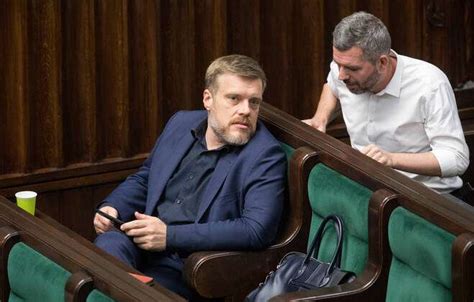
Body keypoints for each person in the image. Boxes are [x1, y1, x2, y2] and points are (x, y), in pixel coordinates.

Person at [93, 54, 287, 299]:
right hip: (140, 242)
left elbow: (256, 230)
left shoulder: (265, 155)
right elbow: (145, 178)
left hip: (189, 265)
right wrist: (113, 207)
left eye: (254, 102)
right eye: (234, 99)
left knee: (122, 288)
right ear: (208, 99)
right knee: (106, 248)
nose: (245, 111)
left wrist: (169, 236)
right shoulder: (181, 123)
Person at [303, 11, 469, 200]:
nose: (341, 75)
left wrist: (392, 159)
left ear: (382, 62)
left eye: (352, 68)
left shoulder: (430, 84)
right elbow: (333, 86)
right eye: (337, 63)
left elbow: (457, 159)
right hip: (367, 188)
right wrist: (320, 118)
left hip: (425, 199)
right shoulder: (345, 68)